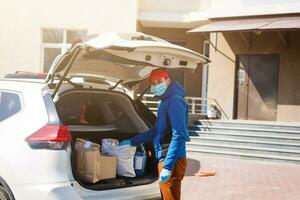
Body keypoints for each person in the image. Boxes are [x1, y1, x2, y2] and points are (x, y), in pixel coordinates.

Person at [119, 68, 189, 200]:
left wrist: (168, 166)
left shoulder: (175, 101)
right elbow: (156, 130)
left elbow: (179, 135)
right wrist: (132, 141)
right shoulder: (164, 101)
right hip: (164, 156)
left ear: (167, 81)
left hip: (171, 158)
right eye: (153, 83)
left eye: (159, 82)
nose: (156, 86)